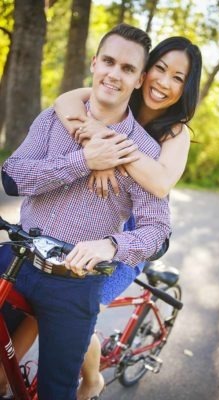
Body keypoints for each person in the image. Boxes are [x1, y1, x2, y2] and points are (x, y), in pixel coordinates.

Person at [0, 23, 171, 400]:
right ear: (94, 63)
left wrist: (111, 245)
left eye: (127, 69)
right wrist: (82, 160)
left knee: (57, 393)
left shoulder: (144, 151)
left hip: (74, 282)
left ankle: (88, 382)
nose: (114, 73)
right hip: (16, 258)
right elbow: (12, 178)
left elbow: (157, 229)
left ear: (140, 79)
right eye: (108, 61)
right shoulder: (53, 119)